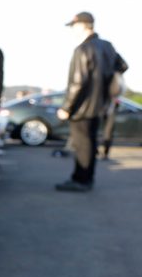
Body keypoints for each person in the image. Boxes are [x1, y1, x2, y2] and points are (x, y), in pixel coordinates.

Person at [55, 12, 128, 192]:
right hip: (101, 105)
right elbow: (123, 66)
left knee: (82, 145)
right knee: (90, 142)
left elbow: (78, 83)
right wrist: (106, 83)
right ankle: (85, 178)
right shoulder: (108, 46)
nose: (72, 30)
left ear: (83, 25)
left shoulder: (82, 49)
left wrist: (66, 107)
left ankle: (81, 180)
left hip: (82, 107)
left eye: (74, 26)